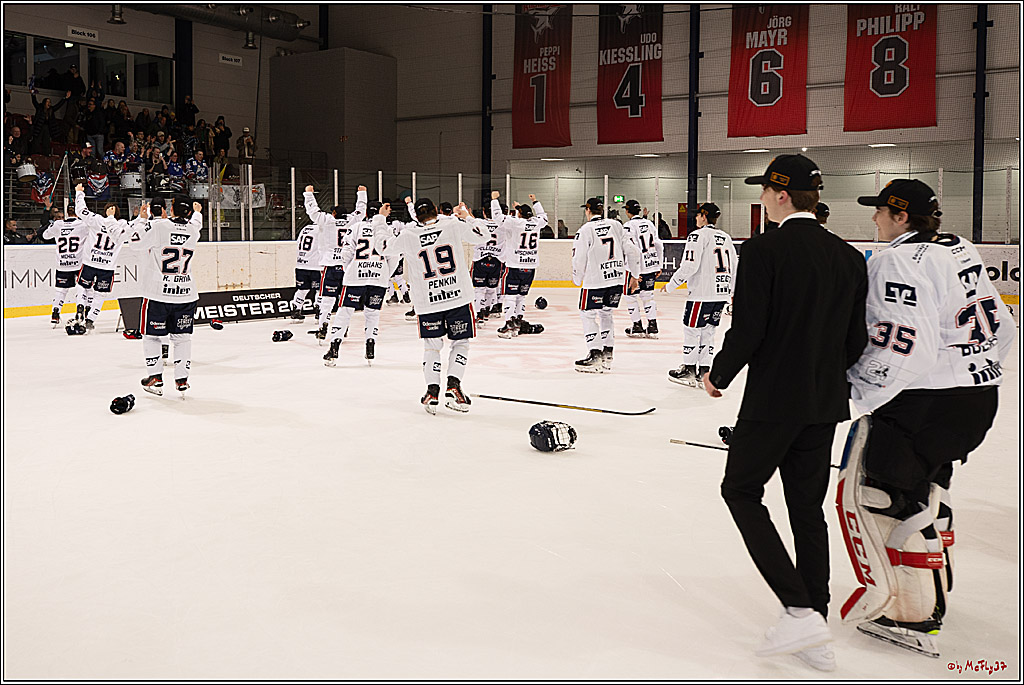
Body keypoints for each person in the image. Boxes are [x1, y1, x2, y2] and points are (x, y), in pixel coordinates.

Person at [703, 154, 868, 671]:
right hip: (823, 404)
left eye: (763, 191)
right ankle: (814, 623)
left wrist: (718, 375)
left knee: (741, 491)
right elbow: (856, 339)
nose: (760, 200)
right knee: (806, 509)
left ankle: (800, 611)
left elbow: (749, 328)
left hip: (773, 402)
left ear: (779, 194)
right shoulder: (847, 256)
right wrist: (824, 375)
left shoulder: (763, 251)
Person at [840, 179, 1015, 658]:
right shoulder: (960, 248)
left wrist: (859, 389)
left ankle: (911, 612)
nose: (874, 218)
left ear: (900, 216)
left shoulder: (898, 260)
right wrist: (973, 374)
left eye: (880, 211)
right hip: (977, 395)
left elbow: (903, 345)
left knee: (885, 497)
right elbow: (1002, 326)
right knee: (930, 487)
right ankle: (935, 588)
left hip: (923, 399)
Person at [372, 198, 488, 413]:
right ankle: (454, 384)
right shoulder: (452, 225)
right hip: (458, 298)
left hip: (428, 302)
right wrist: (467, 217)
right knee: (460, 343)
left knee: (432, 347)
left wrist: (380, 220)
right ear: (436, 210)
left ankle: (432, 390)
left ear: (415, 216)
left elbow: (382, 246)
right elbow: (484, 235)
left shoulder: (408, 235)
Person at [662, 203, 737, 385]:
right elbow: (735, 266)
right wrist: (733, 293)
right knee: (709, 332)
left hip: (701, 295)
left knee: (691, 330)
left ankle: (688, 368)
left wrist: (671, 285)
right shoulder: (725, 237)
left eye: (697, 215)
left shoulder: (697, 236)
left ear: (704, 216)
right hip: (720, 294)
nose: (695, 218)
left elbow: (690, 265)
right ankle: (704, 371)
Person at [137, 197, 204, 396]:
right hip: (186, 294)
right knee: (182, 338)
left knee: (151, 337)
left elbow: (135, 243)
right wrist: (198, 212)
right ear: (190, 213)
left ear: (170, 209)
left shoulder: (159, 226)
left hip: (158, 294)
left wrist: (142, 220)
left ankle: (155, 376)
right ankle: (182, 379)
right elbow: (196, 221)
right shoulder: (193, 231)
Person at [571, 197, 641, 372]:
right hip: (616, 278)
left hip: (595, 280)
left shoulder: (585, 230)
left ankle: (595, 354)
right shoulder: (616, 225)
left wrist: (577, 279)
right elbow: (632, 251)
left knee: (587, 314)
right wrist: (634, 275)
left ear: (588, 211)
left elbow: (579, 259)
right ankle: (608, 353)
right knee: (606, 313)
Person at [322, 201, 391, 366]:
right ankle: (370, 346)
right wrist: (384, 272)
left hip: (355, 277)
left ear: (366, 212)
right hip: (378, 277)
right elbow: (393, 257)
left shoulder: (356, 227)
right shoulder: (387, 230)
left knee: (345, 311)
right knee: (372, 313)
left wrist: (350, 269)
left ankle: (334, 348)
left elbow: (346, 252)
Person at [72, 184, 147, 331]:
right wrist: (141, 217)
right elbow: (134, 227)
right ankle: (91, 318)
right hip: (107, 266)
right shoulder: (122, 225)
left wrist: (79, 193)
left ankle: (80, 305)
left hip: (90, 262)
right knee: (100, 293)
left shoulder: (97, 220)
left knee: (82, 286)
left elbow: (81, 210)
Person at [303, 184, 367, 339]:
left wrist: (309, 194)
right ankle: (342, 327)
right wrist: (362, 194)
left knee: (327, 300)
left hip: (330, 266)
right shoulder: (352, 221)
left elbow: (313, 211)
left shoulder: (326, 220)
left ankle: (323, 326)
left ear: (333, 213)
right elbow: (361, 211)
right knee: (344, 301)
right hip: (347, 267)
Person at [490, 190, 546, 338]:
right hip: (530, 266)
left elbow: (497, 217)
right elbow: (543, 217)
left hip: (515, 265)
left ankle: (509, 324)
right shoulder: (537, 223)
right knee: (521, 296)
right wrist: (535, 202)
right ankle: (518, 322)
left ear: (519, 214)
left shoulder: (515, 223)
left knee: (510, 295)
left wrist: (494, 200)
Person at [41, 195, 90, 325]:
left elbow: (45, 236)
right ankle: (80, 309)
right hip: (78, 263)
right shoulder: (83, 225)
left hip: (62, 263)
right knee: (82, 287)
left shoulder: (58, 224)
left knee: (61, 290)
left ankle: (55, 313)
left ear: (67, 212)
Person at [621, 199, 664, 339]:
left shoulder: (628, 226)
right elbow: (659, 245)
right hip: (651, 265)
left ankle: (637, 326)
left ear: (627, 211)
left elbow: (630, 249)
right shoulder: (650, 224)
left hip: (635, 267)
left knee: (630, 297)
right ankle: (652, 326)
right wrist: (659, 264)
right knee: (648, 297)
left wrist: (634, 272)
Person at [470, 201, 504, 324]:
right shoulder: (503, 225)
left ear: (484, 213)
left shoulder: (479, 223)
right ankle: (486, 312)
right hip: (496, 261)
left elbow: (468, 221)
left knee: (479, 289)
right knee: (491, 289)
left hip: (480, 260)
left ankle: (479, 313)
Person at [288, 220, 321, 320]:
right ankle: (319, 310)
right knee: (319, 290)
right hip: (316, 266)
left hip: (301, 264)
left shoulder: (305, 228)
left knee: (302, 289)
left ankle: (296, 309)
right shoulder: (321, 229)